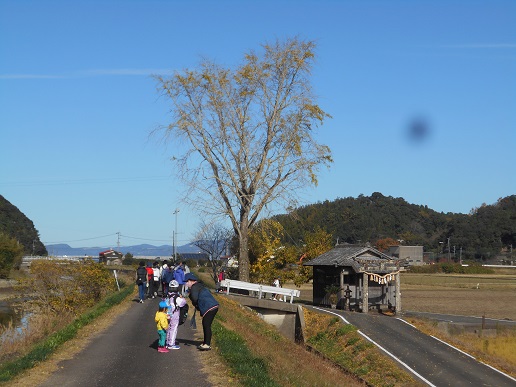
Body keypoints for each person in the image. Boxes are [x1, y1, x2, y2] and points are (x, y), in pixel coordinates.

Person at [184, 273, 219, 351]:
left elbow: (195, 298)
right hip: (213, 306)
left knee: (206, 324)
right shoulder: (199, 285)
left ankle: (207, 344)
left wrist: (190, 297)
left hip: (209, 307)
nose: (186, 284)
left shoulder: (194, 287)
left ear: (191, 281)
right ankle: (206, 343)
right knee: (206, 324)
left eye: (186, 282)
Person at [165, 280, 187, 350]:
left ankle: (167, 341)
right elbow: (183, 303)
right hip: (175, 314)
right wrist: (182, 298)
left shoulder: (168, 295)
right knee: (174, 328)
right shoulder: (176, 297)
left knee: (168, 328)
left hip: (167, 313)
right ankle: (171, 344)